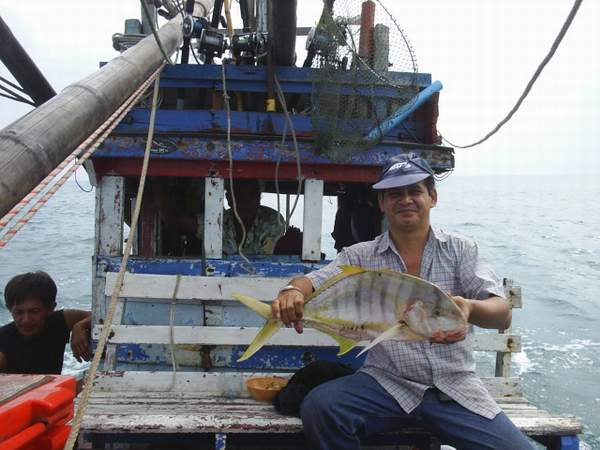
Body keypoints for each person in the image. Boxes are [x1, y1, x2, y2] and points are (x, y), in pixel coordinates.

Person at [271, 154, 533, 450]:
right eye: (395, 194)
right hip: (386, 384)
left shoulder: (460, 249)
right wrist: (291, 290)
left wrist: (470, 308)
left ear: (432, 197)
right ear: (382, 203)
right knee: (320, 408)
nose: (406, 199)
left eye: (414, 191)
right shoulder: (361, 256)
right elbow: (317, 279)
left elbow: (502, 313)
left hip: (454, 387)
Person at [0, 271, 92, 374]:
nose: (26, 320)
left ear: (50, 308)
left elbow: (101, 316)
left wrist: (80, 326)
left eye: (34, 312)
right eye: (19, 312)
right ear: (10, 310)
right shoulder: (4, 343)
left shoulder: (59, 321)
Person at [222, 179, 285, 256]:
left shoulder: (273, 220)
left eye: (252, 195)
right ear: (229, 198)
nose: (246, 202)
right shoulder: (216, 222)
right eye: (239, 195)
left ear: (259, 197)